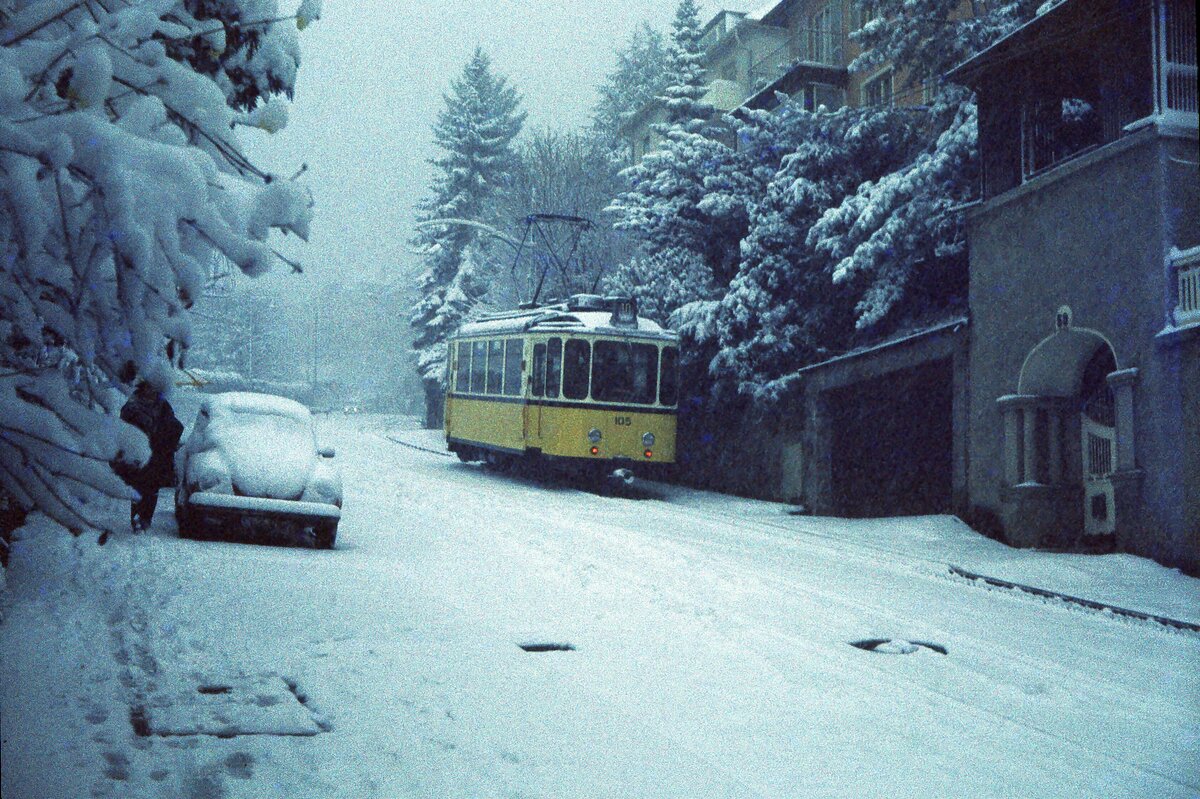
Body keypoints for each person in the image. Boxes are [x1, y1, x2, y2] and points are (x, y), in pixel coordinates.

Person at [116, 380, 183, 532]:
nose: (151, 391)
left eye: (153, 388)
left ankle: (146, 519)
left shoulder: (163, 406)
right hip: (138, 452)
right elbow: (124, 427)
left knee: (152, 488)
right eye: (148, 387)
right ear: (142, 388)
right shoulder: (132, 405)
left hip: (157, 454)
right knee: (138, 486)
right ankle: (137, 519)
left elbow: (174, 425)